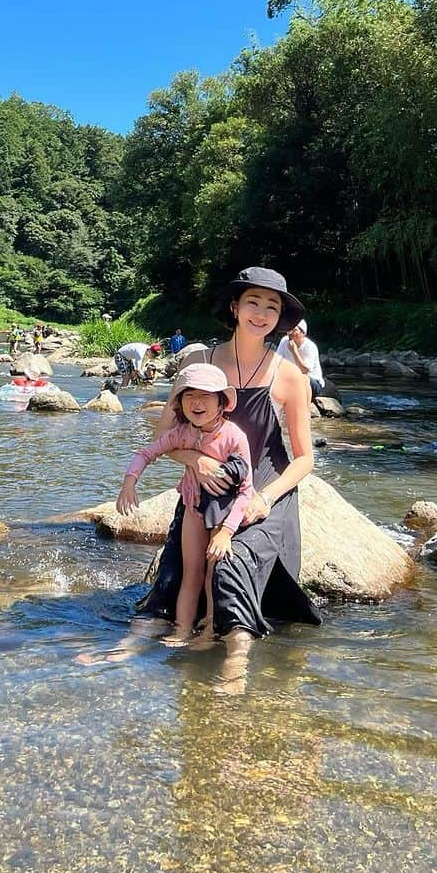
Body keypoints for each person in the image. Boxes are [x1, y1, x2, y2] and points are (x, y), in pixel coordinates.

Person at [136, 266, 321, 643]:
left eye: (272, 306)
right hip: (204, 492)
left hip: (264, 492)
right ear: (235, 307)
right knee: (170, 583)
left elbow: (304, 459)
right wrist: (194, 460)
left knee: (229, 569)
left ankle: (233, 671)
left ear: (280, 317)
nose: (261, 313)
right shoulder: (197, 363)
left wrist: (265, 498)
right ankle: (129, 649)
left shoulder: (290, 377)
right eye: (253, 301)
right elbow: (164, 436)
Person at [117, 364, 254, 646]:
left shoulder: (234, 436)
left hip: (222, 514)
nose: (197, 402)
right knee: (191, 573)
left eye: (206, 396)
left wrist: (227, 531)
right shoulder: (181, 434)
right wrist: (129, 483)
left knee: (212, 576)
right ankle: (181, 629)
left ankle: (207, 632)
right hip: (193, 509)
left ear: (222, 402)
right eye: (189, 396)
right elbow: (146, 452)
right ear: (180, 403)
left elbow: (246, 490)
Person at [277, 318, 323, 399]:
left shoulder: (310, 346)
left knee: (302, 378)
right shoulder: (284, 341)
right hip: (290, 380)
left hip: (312, 382)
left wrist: (294, 351)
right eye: (289, 330)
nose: (290, 333)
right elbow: (277, 362)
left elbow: (304, 371)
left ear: (303, 333)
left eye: (294, 330)